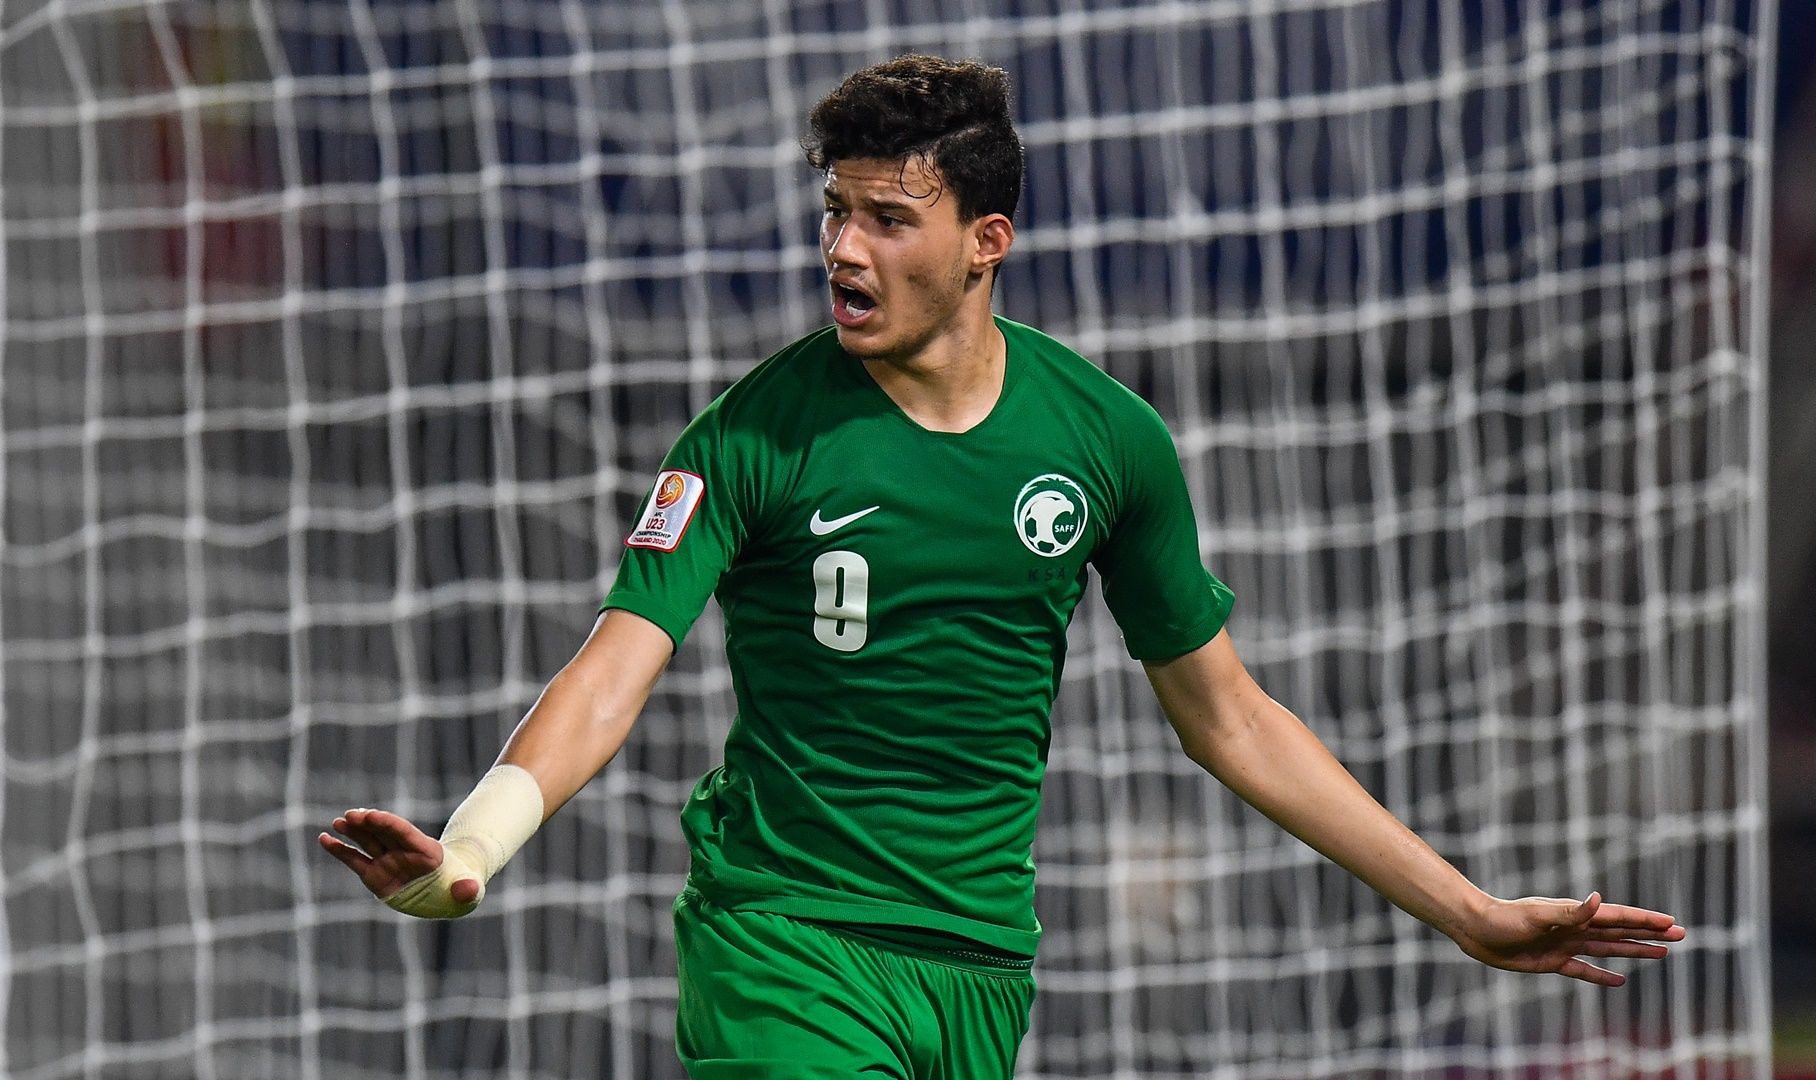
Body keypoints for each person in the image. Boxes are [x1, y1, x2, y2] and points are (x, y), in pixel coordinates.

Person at [320, 54, 1685, 1078]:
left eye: (890, 220)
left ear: (988, 244)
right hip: (786, 946)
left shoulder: (1105, 445)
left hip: (979, 972)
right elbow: (616, 666)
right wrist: (472, 851)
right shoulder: (750, 436)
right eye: (837, 214)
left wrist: (1467, 911)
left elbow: (1232, 719)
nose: (845, 250)